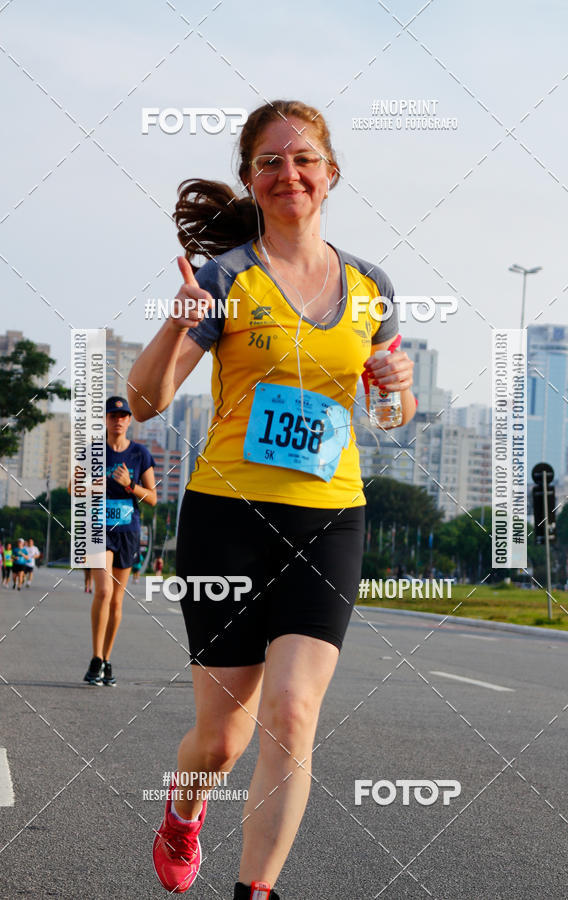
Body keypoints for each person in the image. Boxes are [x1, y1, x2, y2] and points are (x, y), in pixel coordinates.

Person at [129, 99, 416, 899]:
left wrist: (397, 388)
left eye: (303, 159)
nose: (288, 174)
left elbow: (392, 414)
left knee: (292, 714)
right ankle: (185, 813)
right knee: (221, 742)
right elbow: (146, 400)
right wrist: (174, 326)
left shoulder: (371, 286)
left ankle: (254, 892)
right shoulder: (226, 279)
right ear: (250, 180)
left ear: (329, 173)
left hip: (329, 518)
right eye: (269, 162)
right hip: (227, 519)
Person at [82, 397, 157, 686]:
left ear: (129, 420)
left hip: (128, 530)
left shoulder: (140, 453)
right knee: (103, 592)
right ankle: (95, 658)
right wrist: (95, 484)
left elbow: (152, 498)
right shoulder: (93, 451)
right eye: (113, 415)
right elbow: (71, 487)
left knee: (116, 601)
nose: (119, 420)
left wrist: (129, 485)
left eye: (123, 415)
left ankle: (107, 659)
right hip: (99, 529)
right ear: (106, 419)